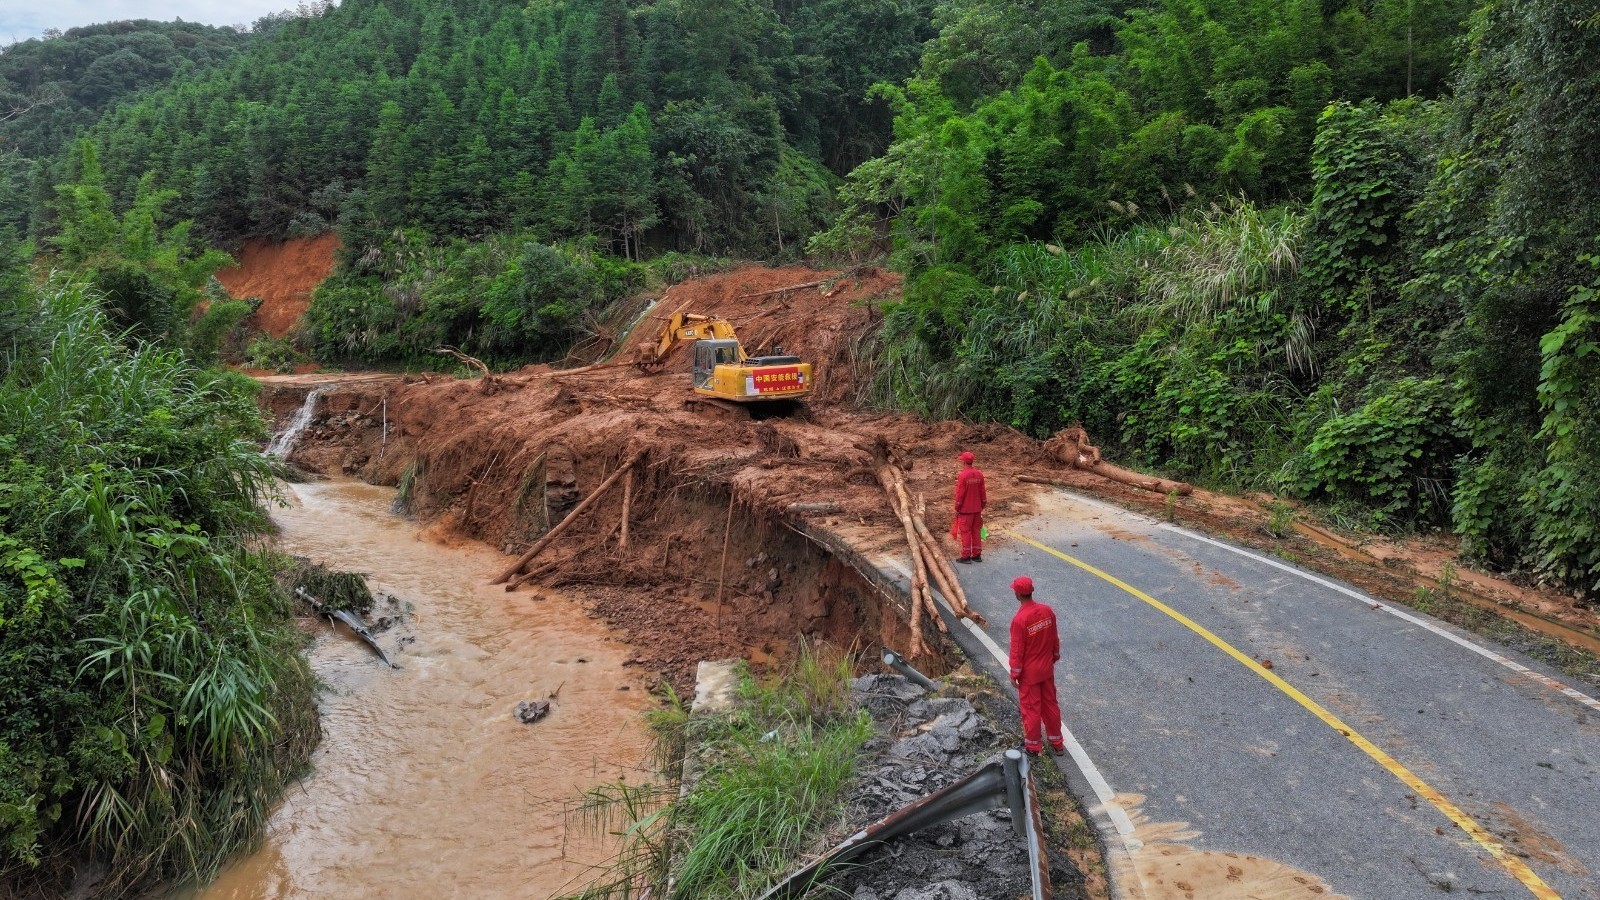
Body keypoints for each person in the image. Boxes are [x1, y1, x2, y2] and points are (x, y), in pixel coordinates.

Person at [1008, 576, 1065, 756]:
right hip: (1046, 669)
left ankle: (1033, 746)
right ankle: (1057, 742)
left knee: (1031, 709)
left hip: (1030, 674)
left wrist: (1014, 673)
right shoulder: (1047, 611)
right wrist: (1053, 657)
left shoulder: (1020, 620)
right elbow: (1054, 639)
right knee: (1050, 705)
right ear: (1031, 591)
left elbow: (1017, 650)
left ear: (1017, 594)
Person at [953, 450, 986, 563]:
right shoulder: (979, 474)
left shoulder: (963, 476)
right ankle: (977, 555)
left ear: (963, 462)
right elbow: (983, 493)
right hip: (977, 510)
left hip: (965, 511)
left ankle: (966, 556)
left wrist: (957, 508)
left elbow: (960, 494)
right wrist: (982, 505)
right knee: (976, 531)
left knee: (965, 532)